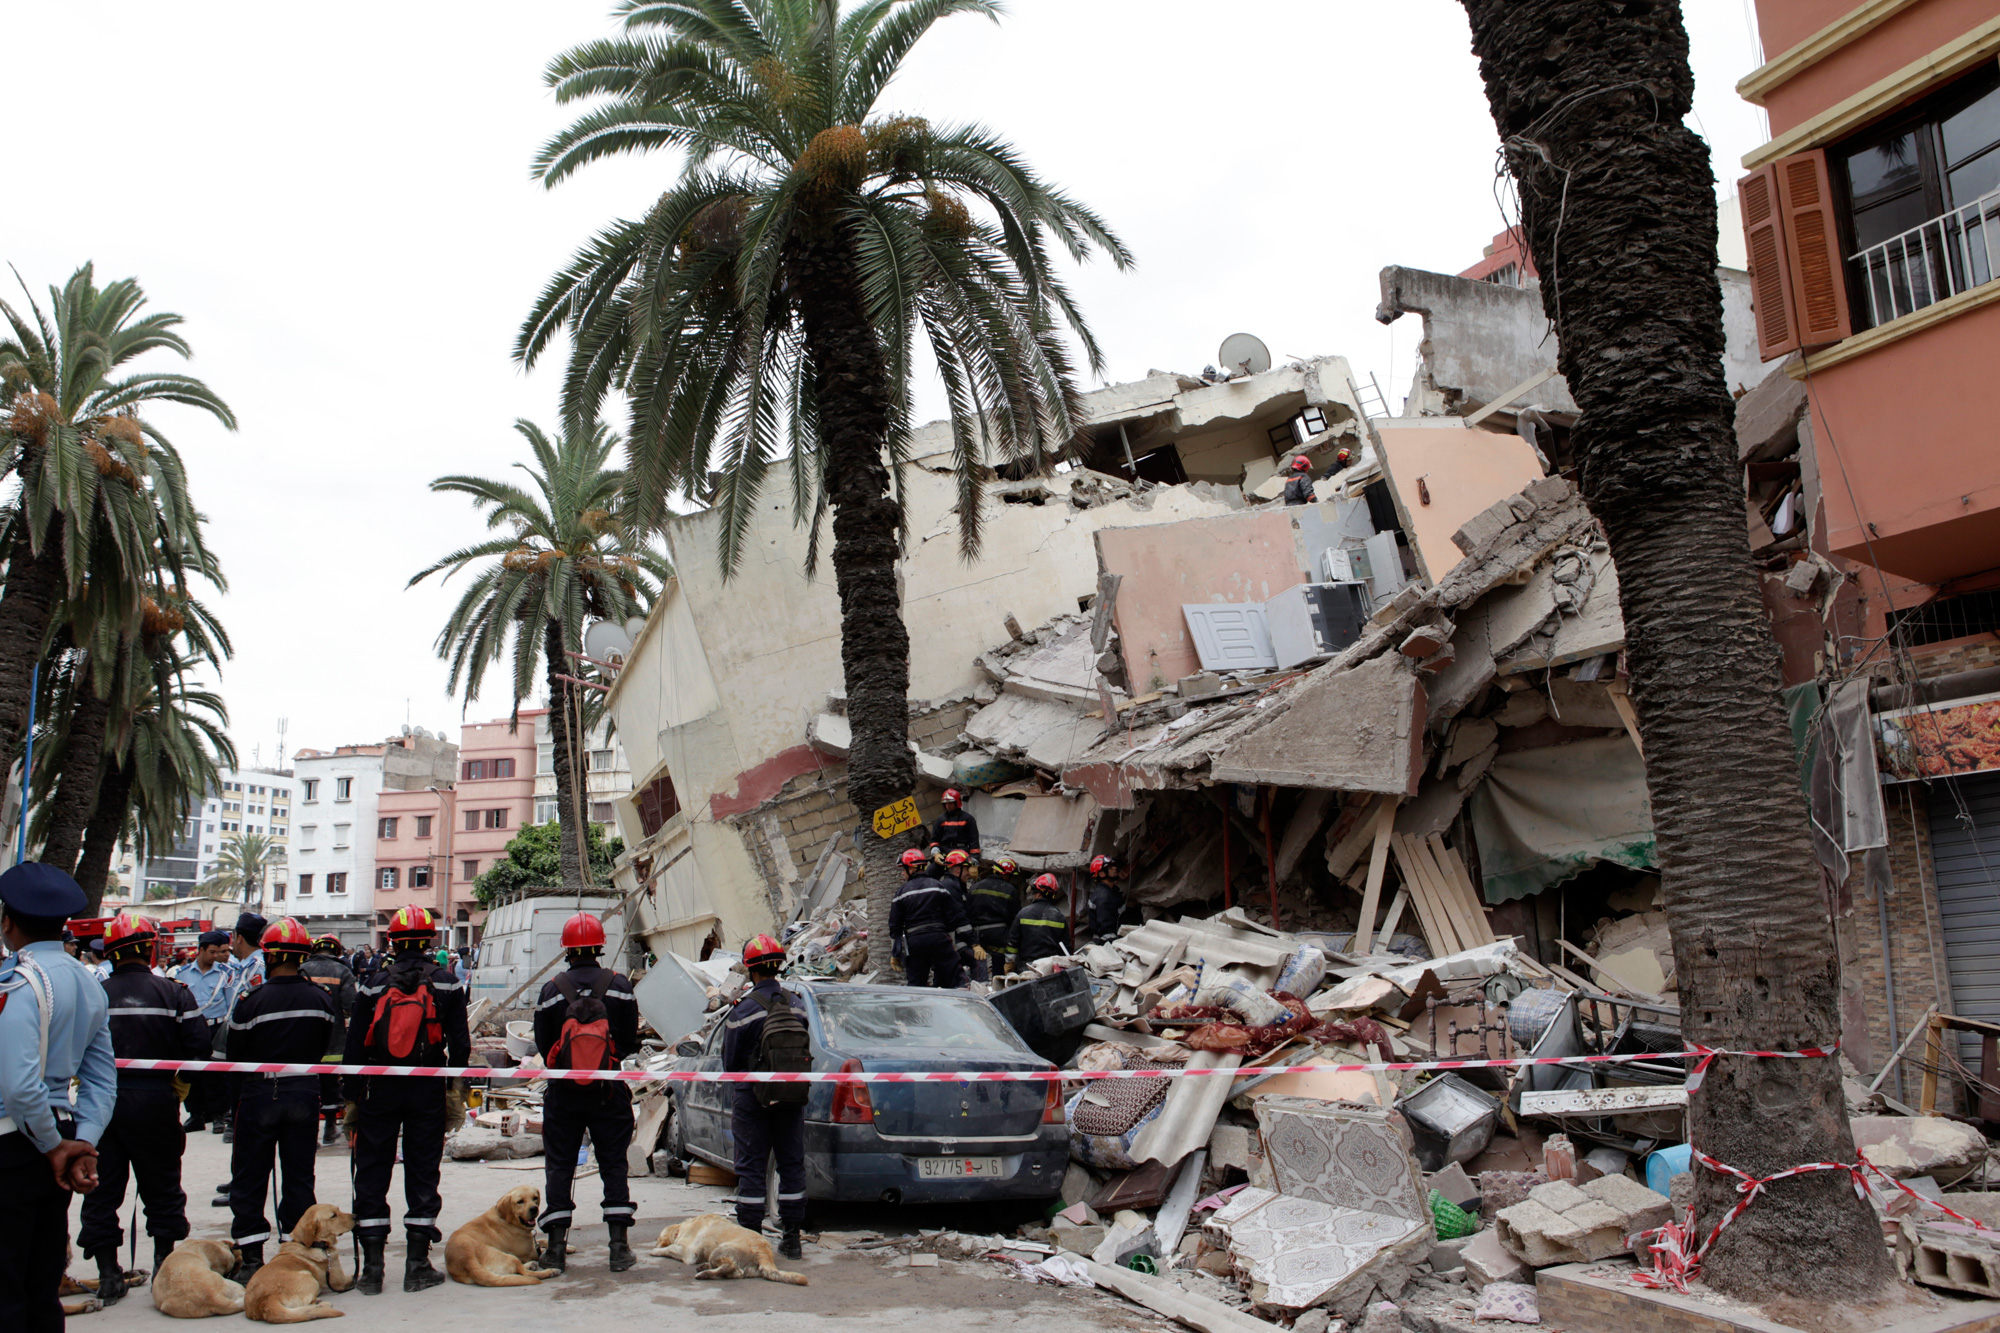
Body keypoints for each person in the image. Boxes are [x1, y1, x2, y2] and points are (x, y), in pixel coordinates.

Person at [0, 863, 116, 1332]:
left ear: (9, 921)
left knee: (6, 1283)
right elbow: (102, 1081)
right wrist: (81, 1143)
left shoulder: (19, 982)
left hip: (14, 1142)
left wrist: (53, 1147)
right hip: (59, 1138)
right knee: (42, 1279)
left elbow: (20, 1086)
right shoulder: (88, 982)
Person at [77, 913, 209, 1303]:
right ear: (151, 947)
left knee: (100, 1190)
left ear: (110, 952)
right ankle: (163, 1270)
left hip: (100, 1104)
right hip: (155, 1101)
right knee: (163, 1186)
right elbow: (198, 1050)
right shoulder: (175, 992)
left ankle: (107, 1275)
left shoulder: (94, 994)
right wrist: (179, 1088)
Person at [344, 905, 468, 1294]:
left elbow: (354, 1045)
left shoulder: (373, 983)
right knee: (422, 1171)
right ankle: (417, 1265)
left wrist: (351, 1098)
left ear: (392, 941)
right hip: (426, 1086)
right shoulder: (447, 983)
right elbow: (460, 1046)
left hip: (378, 1088)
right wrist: (456, 1092)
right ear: (430, 941)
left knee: (372, 1170)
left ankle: (373, 1271)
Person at [224, 917, 336, 1283]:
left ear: (269, 956)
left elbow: (234, 1054)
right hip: (304, 1093)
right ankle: (299, 1253)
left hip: (259, 1096)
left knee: (250, 1176)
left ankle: (253, 1259)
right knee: (300, 1176)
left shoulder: (252, 1000)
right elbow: (325, 1050)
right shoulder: (321, 999)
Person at [532, 912, 639, 1275]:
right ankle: (619, 1249)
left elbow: (543, 1043)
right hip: (608, 1091)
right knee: (613, 1164)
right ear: (599, 947)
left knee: (560, 1165)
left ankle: (556, 1251)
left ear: (566, 950)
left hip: (563, 1094)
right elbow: (628, 1040)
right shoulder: (620, 986)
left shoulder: (550, 991)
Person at [720, 934, 806, 1260]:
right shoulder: (796, 1004)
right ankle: (793, 1239)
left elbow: (730, 1064)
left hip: (752, 1098)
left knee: (751, 1167)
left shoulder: (743, 1010)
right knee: (791, 1164)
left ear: (751, 970)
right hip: (791, 1095)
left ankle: (752, 1240)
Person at [173, 930, 233, 1134]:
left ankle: (218, 1115)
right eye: (212, 951)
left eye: (219, 952)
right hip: (192, 1028)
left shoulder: (225, 973)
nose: (215, 956)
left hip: (216, 1027)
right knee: (191, 1071)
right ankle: (196, 1114)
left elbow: (230, 1002)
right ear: (201, 950)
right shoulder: (182, 974)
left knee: (216, 1074)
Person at [301, 936, 357, 1146]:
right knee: (330, 1086)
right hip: (333, 1039)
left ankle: (309, 1133)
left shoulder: (302, 969)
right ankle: (330, 1129)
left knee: (307, 1085)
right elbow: (351, 1005)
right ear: (337, 952)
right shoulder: (342, 971)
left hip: (304, 1038)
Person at [889, 847, 969, 988]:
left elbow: (895, 926)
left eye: (904, 869)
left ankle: (916, 1007)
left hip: (915, 943)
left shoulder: (900, 893)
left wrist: (896, 953)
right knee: (957, 977)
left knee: (916, 984)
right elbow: (952, 917)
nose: (902, 874)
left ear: (912, 869)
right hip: (939, 938)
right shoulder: (938, 886)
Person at [965, 857, 1022, 983]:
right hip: (999, 935)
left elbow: (967, 912)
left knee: (978, 964)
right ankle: (997, 988)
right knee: (998, 967)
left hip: (977, 934)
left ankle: (977, 986)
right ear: (1006, 874)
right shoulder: (1010, 890)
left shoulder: (975, 887)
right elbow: (1015, 919)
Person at [1006, 874, 1073, 971]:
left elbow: (1013, 942)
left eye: (1034, 892)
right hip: (1050, 968)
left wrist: (1009, 962)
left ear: (1039, 894)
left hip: (1027, 967)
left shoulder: (1023, 913)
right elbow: (1065, 948)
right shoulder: (1059, 917)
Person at [1086, 855, 1128, 943]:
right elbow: (1106, 932)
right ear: (1101, 874)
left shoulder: (1108, 892)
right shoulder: (1104, 898)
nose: (1115, 868)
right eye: (1110, 867)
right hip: (1106, 944)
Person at [934, 788, 979, 855]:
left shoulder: (968, 819)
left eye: (950, 803)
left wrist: (974, 858)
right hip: (945, 853)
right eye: (945, 804)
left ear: (957, 803)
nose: (948, 806)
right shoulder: (940, 820)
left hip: (963, 852)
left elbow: (974, 841)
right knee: (931, 866)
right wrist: (935, 853)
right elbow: (934, 839)